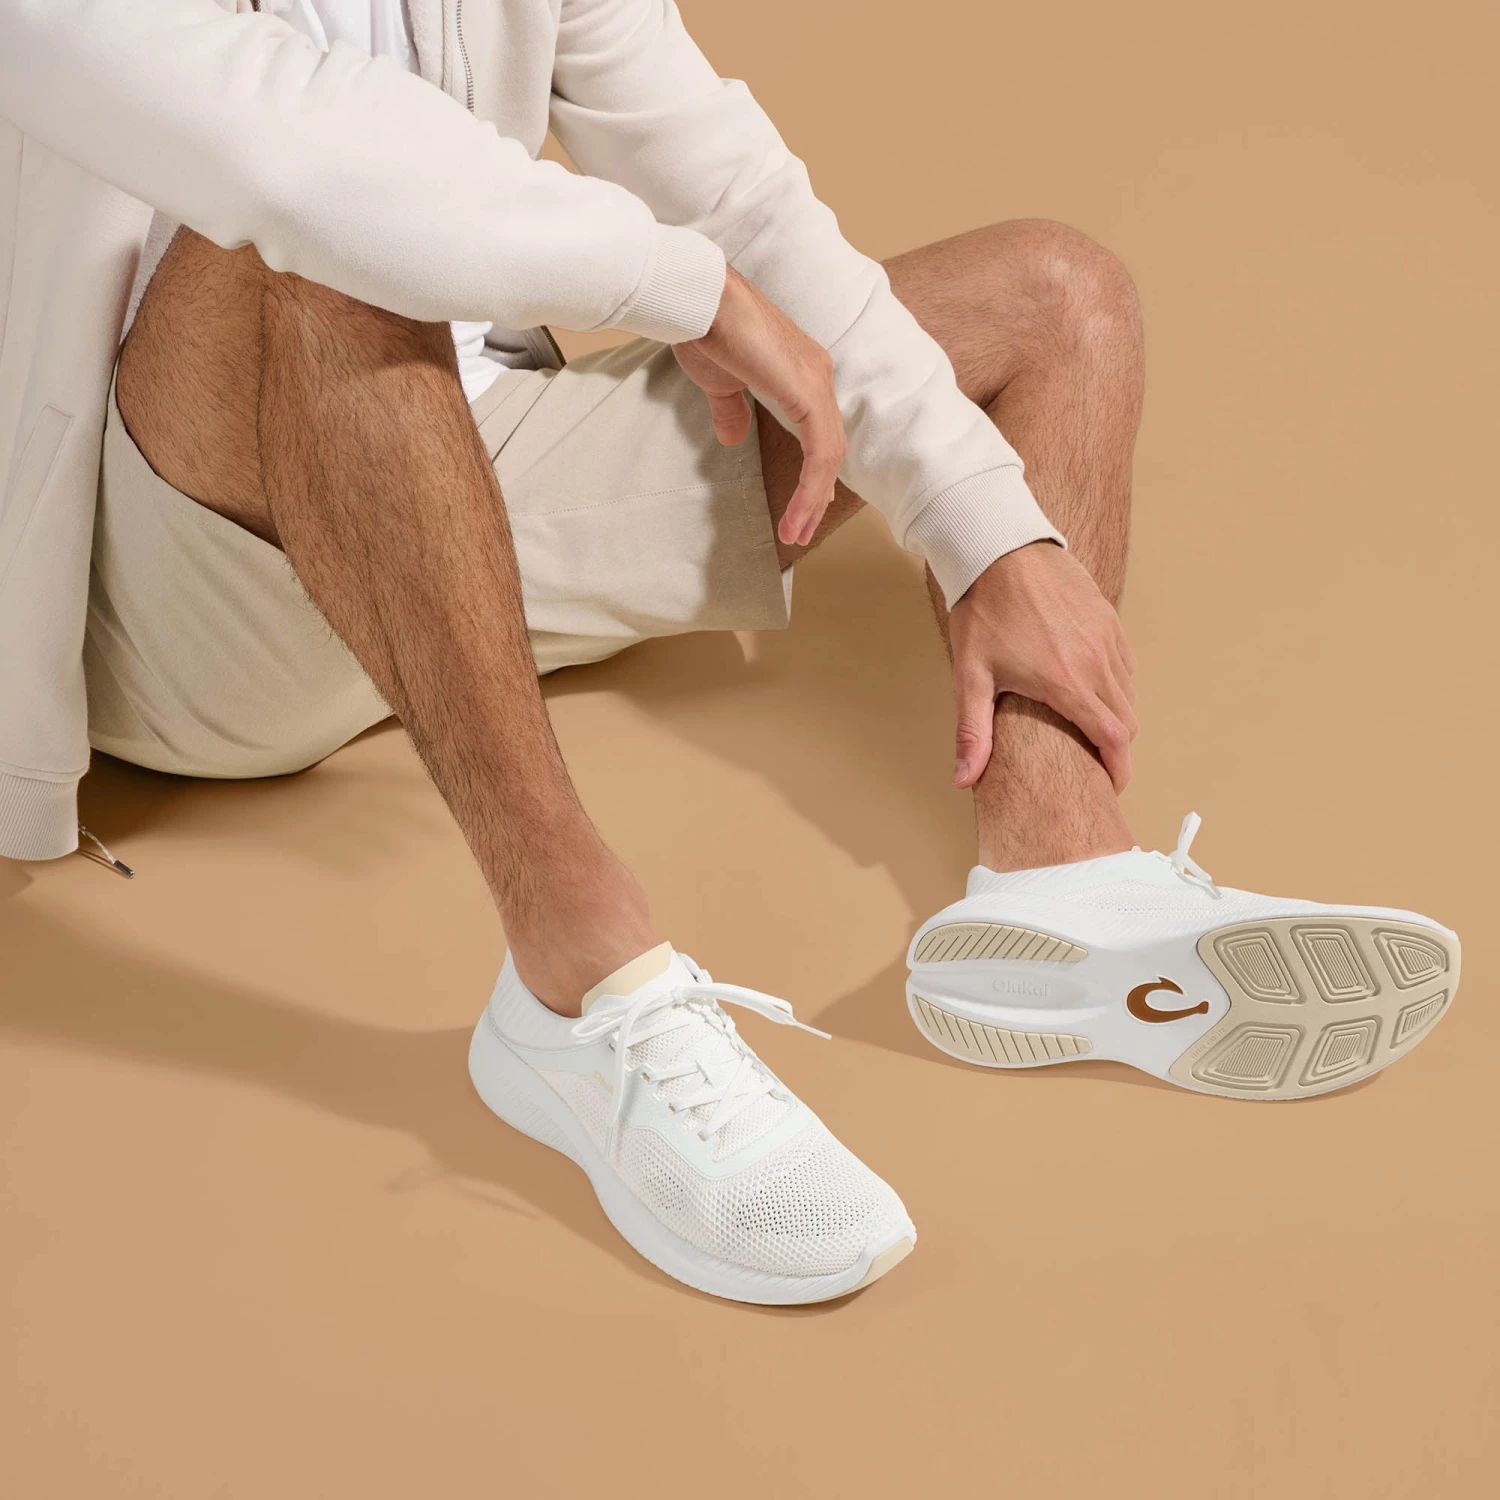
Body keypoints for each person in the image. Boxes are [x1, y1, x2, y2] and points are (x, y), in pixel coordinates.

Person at [0, 0, 1460, 1305]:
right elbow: (304, 168)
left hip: (457, 472)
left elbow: (736, 194)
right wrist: (685, 290)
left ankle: (1062, 881)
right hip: (182, 587)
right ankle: (576, 978)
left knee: (1057, 299)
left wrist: (989, 530)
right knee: (323, 251)